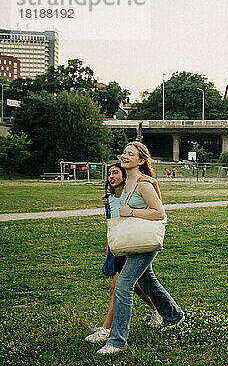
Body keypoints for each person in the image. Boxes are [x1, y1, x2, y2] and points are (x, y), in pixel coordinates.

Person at [97, 142, 185, 355]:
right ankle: (174, 315)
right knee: (148, 281)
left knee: (123, 285)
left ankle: (117, 341)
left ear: (141, 160)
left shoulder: (143, 183)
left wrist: (132, 213)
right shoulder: (128, 182)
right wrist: (112, 199)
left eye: (130, 154)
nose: (124, 156)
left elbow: (159, 213)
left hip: (145, 242)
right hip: (134, 241)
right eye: (124, 152)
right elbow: (128, 204)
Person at [85, 163, 163, 344]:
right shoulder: (110, 199)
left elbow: (157, 207)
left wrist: (154, 185)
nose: (112, 176)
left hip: (136, 244)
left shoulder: (131, 194)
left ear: (124, 176)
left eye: (116, 173)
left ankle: (106, 329)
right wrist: (109, 249)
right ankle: (158, 310)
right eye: (109, 174)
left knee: (117, 287)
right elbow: (112, 225)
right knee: (135, 285)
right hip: (120, 246)